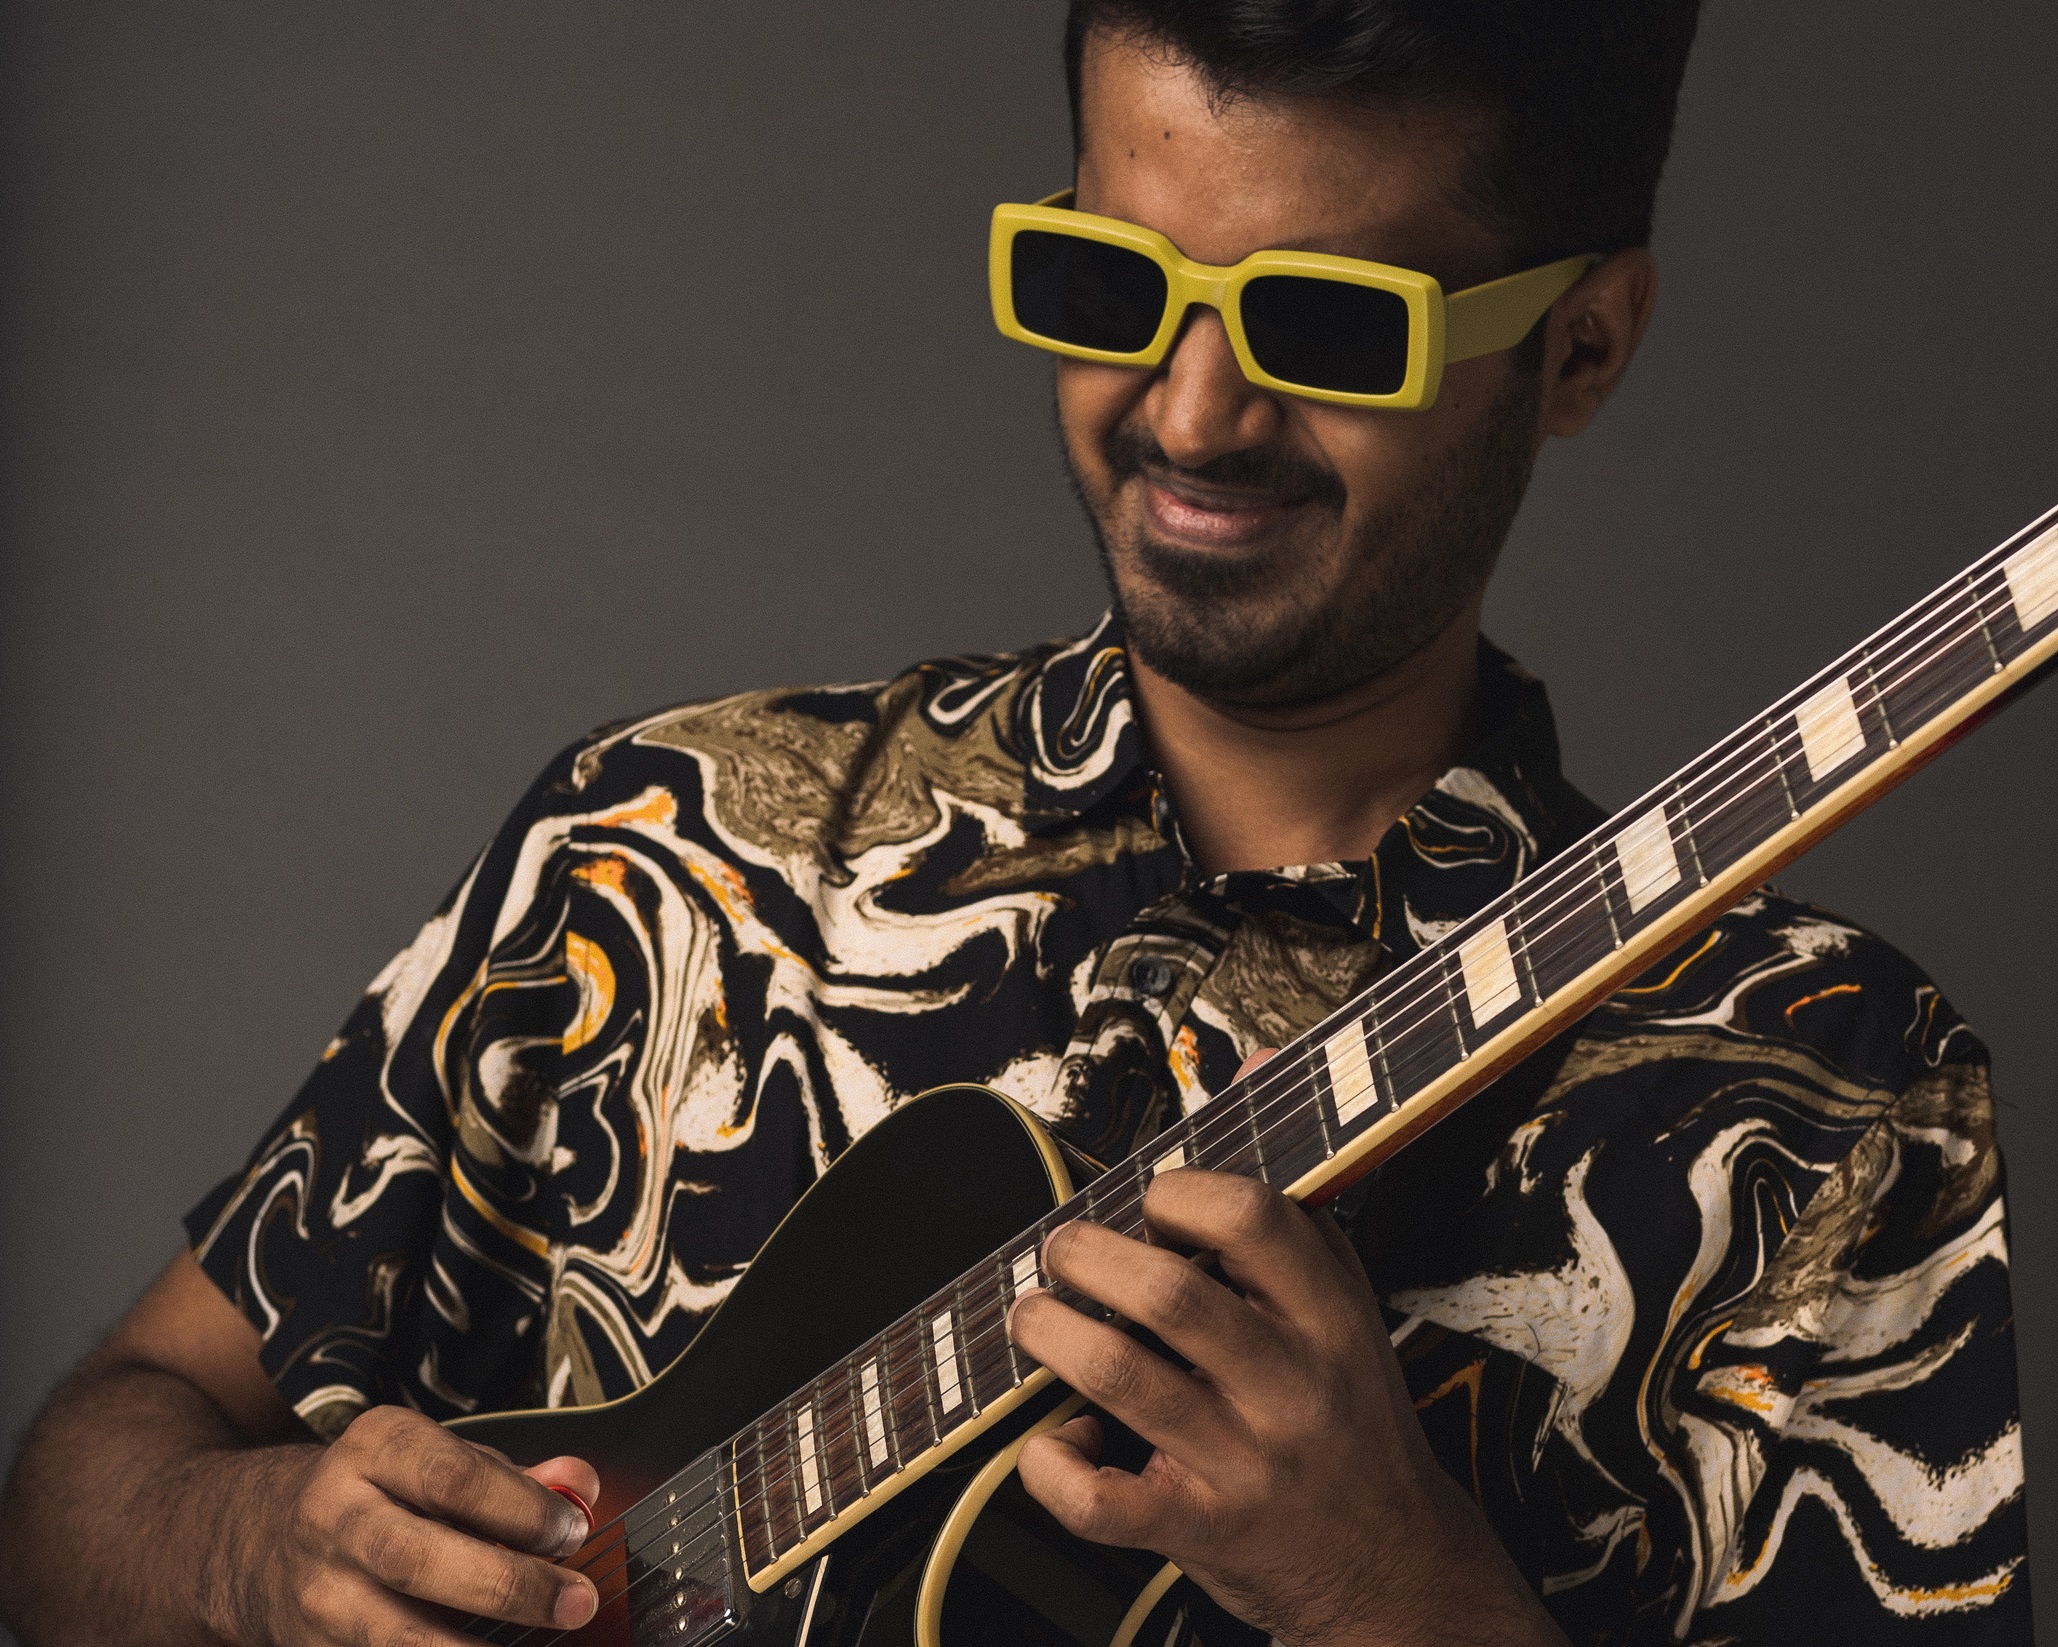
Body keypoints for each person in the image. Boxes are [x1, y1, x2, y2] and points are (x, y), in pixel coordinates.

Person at [0, 2, 2029, 1643]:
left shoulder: (1828, 1104)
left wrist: (1386, 1588)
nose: (1191, 411)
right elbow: (99, 1473)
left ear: (1579, 341)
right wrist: (242, 1553)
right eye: (1106, 279)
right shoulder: (664, 845)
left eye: (1328, 324)